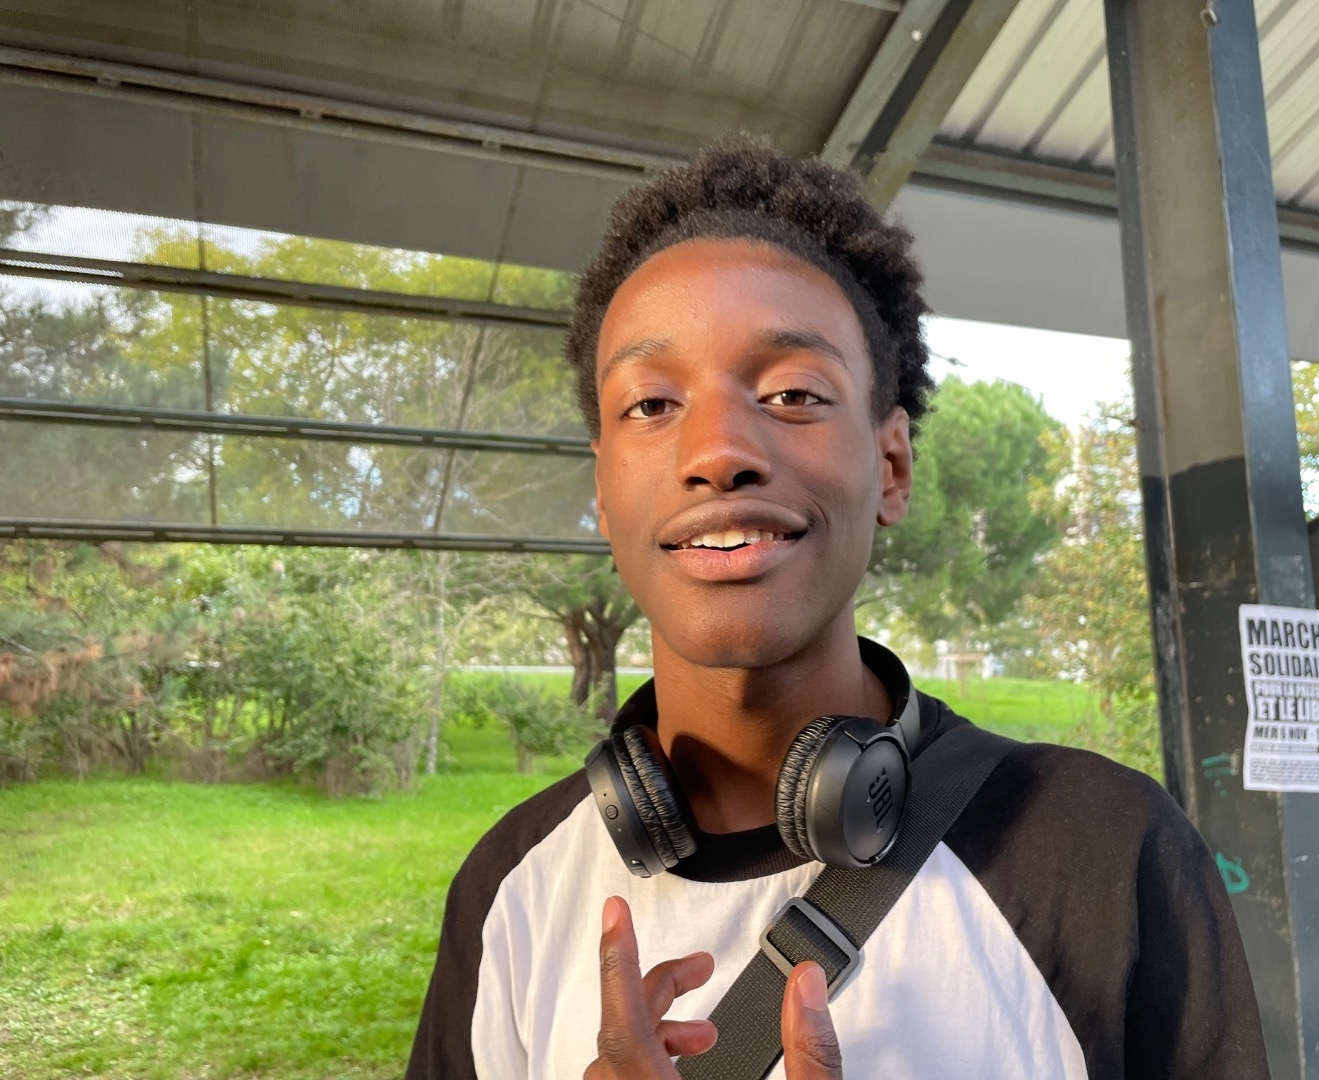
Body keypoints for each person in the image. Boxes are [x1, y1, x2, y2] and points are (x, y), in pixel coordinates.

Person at [405, 136, 1269, 1080]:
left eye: (792, 393)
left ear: (890, 466)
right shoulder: (508, 892)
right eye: (650, 405)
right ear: (604, 495)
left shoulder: (1100, 851)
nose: (719, 453)